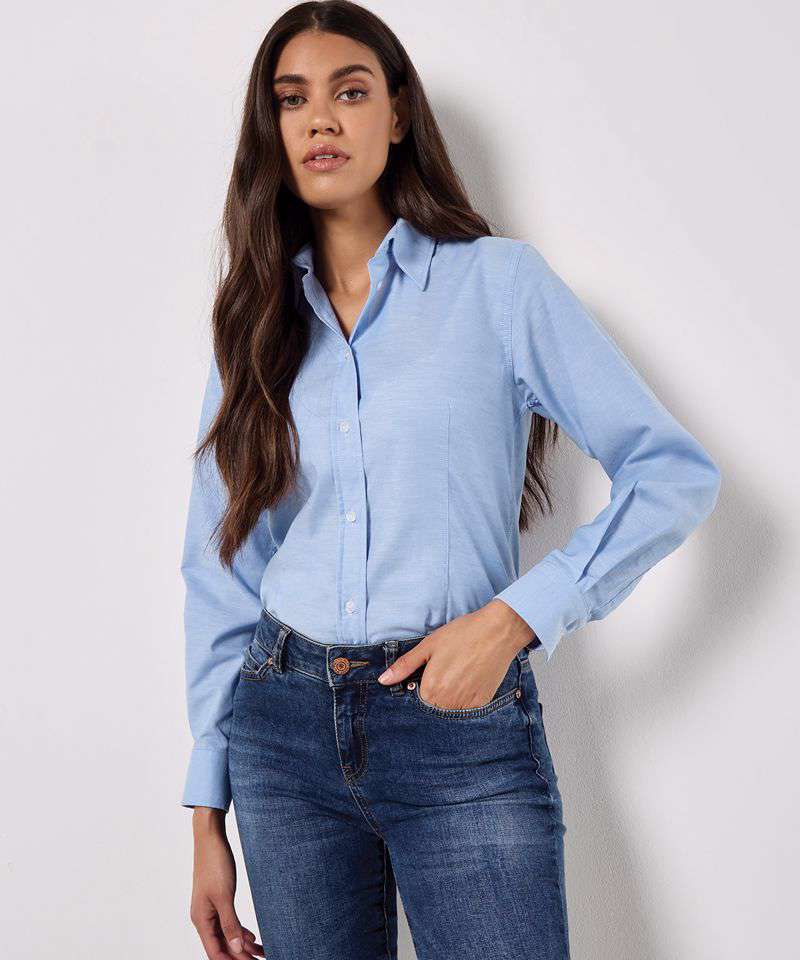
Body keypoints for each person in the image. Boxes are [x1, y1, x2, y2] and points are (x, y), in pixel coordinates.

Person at [178, 3, 722, 959]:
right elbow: (223, 566)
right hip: (281, 738)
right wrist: (205, 813)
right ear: (271, 130)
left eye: (350, 92)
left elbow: (671, 472)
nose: (320, 119)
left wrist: (513, 620)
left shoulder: (498, 285)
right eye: (292, 100)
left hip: (458, 729)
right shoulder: (256, 321)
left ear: (397, 114)